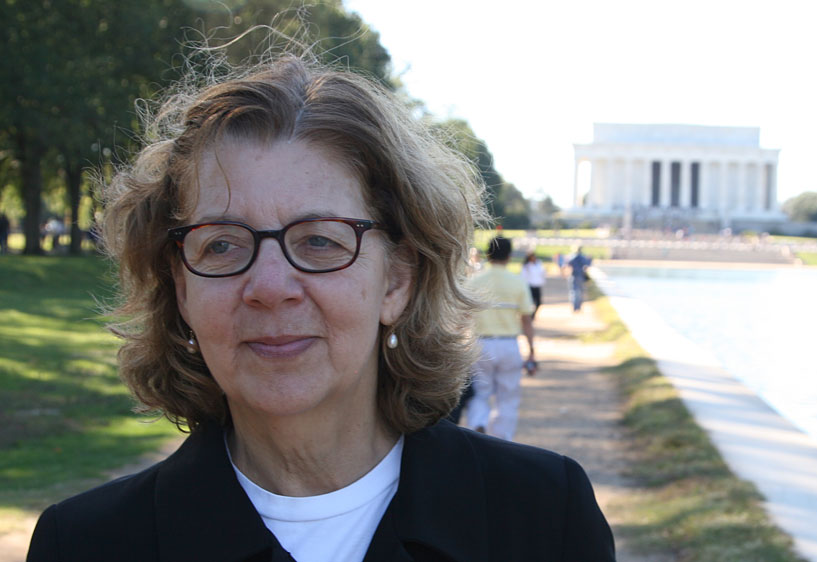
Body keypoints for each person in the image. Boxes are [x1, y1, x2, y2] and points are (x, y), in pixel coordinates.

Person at [27, 54, 614, 561]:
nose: (269, 285)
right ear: (181, 289)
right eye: (222, 245)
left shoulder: (543, 515)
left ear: (398, 280)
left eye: (319, 241)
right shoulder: (83, 546)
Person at [465, 236, 536, 441]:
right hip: (509, 344)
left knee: (480, 392)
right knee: (508, 396)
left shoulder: (474, 282)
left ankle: (477, 426)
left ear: (488, 255)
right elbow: (526, 320)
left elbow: (464, 318)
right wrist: (532, 351)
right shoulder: (518, 282)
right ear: (509, 256)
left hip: (481, 343)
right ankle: (503, 439)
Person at [564, 245, 592, 312]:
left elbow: (566, 265)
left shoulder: (571, 256)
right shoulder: (583, 257)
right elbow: (588, 265)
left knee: (573, 291)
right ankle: (578, 307)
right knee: (580, 292)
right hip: (580, 276)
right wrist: (590, 259)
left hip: (573, 276)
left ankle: (574, 306)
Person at [520, 251, 546, 319]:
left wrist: (542, 281)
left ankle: (533, 315)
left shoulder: (538, 264)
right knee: (530, 302)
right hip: (530, 286)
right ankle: (529, 315)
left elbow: (542, 273)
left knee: (538, 302)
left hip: (537, 285)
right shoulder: (526, 266)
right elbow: (523, 276)